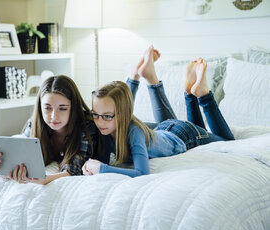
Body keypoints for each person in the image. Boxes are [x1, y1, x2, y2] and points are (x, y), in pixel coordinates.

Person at [82, 46, 234, 177]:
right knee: (198, 128)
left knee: (228, 141)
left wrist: (102, 169)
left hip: (185, 136)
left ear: (123, 115)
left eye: (107, 116)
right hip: (164, 127)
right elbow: (122, 103)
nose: (99, 121)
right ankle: (189, 92)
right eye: (95, 114)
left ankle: (203, 96)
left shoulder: (134, 132)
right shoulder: (106, 129)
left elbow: (142, 173)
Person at [0, 75, 98, 184]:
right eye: (47, 108)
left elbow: (74, 171)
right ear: (40, 107)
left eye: (63, 108)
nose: (54, 116)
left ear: (73, 108)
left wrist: (45, 179)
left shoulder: (87, 127)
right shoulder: (35, 123)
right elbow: (23, 161)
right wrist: (1, 168)